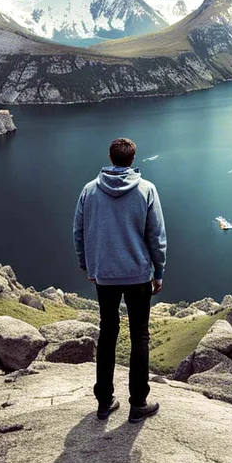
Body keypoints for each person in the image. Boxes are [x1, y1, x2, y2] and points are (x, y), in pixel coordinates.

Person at [73, 138, 167, 422]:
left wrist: (88, 266)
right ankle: (138, 404)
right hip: (138, 274)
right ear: (133, 158)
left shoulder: (90, 190)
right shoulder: (146, 189)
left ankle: (104, 402)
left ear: (109, 157)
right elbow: (157, 237)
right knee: (140, 335)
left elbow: (78, 232)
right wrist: (159, 272)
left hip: (105, 275)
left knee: (107, 333)